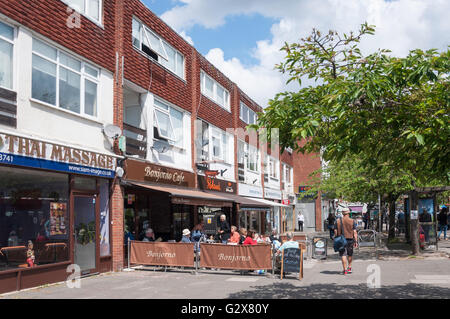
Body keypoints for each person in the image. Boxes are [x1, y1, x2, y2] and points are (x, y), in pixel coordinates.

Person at [334, 208, 358, 275]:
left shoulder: (337, 221)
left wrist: (336, 237)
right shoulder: (352, 221)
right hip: (350, 239)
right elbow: (355, 232)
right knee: (350, 254)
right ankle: (349, 267)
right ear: (348, 213)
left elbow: (335, 231)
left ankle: (344, 270)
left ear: (342, 213)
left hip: (341, 240)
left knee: (343, 254)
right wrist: (356, 241)